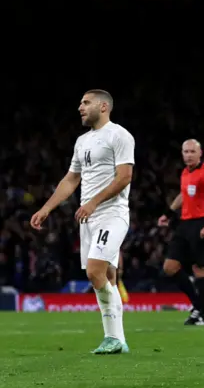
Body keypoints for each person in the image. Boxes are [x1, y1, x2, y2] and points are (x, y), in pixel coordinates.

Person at [31, 89, 135, 354]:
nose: (80, 107)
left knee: (94, 271)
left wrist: (92, 202)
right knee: (108, 276)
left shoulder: (119, 135)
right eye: (80, 102)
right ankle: (118, 340)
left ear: (103, 107)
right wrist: (47, 208)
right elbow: (71, 179)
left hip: (112, 214)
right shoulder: (82, 142)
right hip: (88, 218)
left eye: (85, 102)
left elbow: (124, 177)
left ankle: (113, 338)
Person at [158, 139, 204, 325]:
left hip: (201, 223)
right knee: (170, 267)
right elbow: (183, 195)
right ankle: (198, 306)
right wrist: (168, 213)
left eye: (192, 151)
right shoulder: (185, 172)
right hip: (184, 224)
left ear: (200, 153)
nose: (189, 155)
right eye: (186, 152)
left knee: (199, 269)